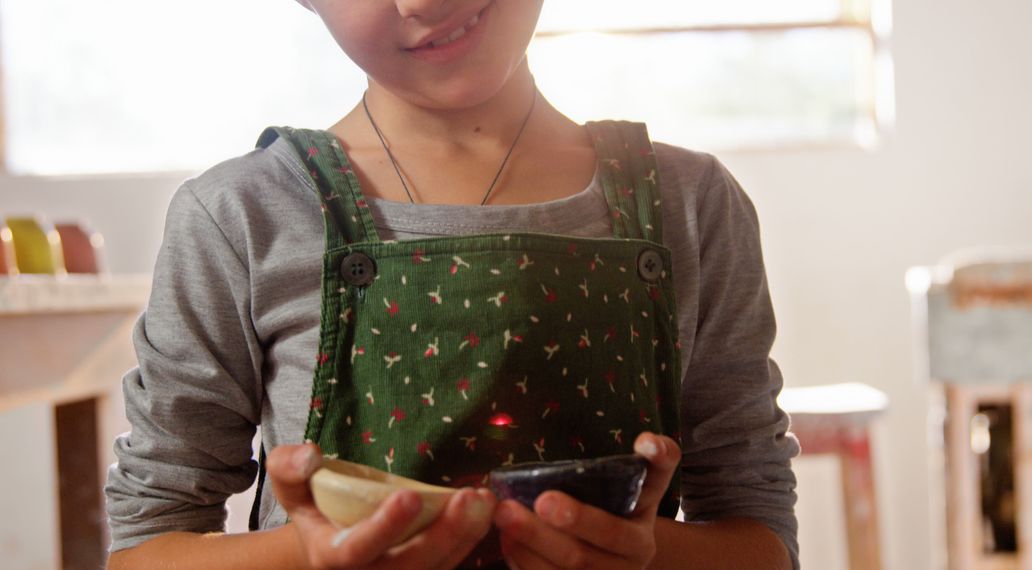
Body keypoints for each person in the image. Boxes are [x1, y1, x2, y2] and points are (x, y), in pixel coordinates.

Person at [104, 1, 800, 568]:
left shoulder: (692, 203)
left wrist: (649, 556)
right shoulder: (239, 215)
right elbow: (146, 544)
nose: (423, 2)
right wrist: (303, 556)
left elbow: (760, 537)